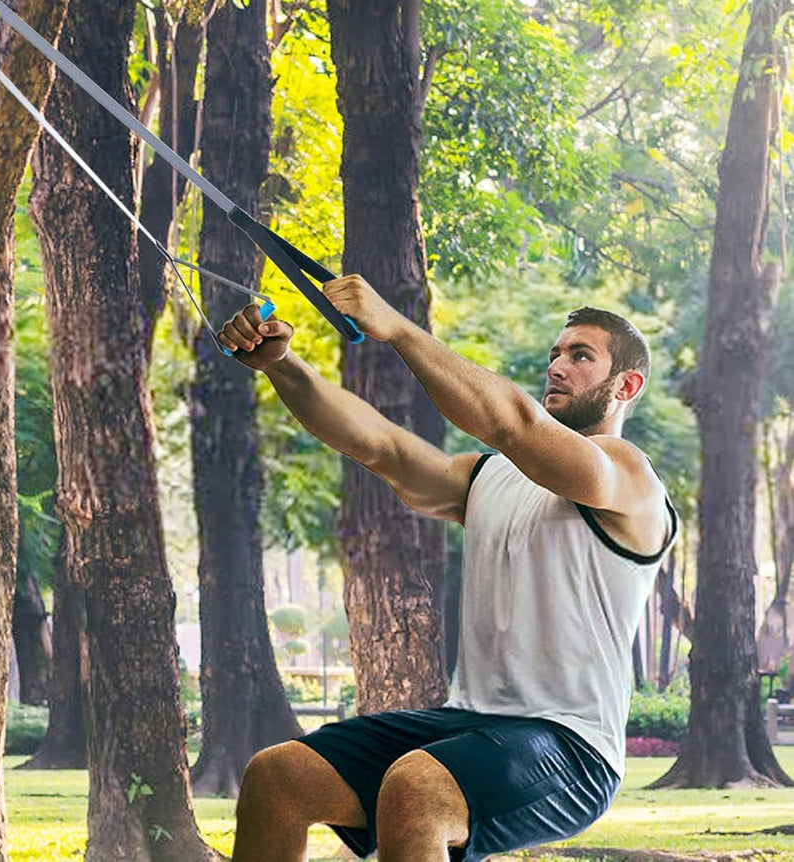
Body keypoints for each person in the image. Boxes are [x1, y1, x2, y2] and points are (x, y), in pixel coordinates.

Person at [219, 274, 677, 862]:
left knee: (419, 788)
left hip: (574, 744)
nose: (558, 367)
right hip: (470, 723)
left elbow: (514, 424)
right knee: (278, 778)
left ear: (626, 385)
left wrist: (398, 329)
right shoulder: (489, 477)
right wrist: (282, 366)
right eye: (556, 354)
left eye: (581, 356)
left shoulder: (629, 477)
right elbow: (382, 447)